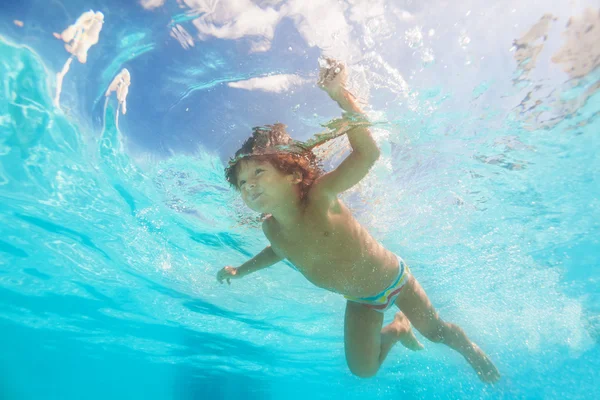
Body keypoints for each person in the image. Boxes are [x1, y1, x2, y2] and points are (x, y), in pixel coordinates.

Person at [217, 59, 500, 383]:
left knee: (436, 332)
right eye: (241, 183)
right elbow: (277, 252)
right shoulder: (272, 227)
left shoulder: (321, 197)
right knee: (362, 370)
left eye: (258, 172)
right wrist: (240, 270)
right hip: (360, 300)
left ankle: (468, 349)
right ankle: (396, 330)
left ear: (294, 175)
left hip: (393, 280)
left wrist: (340, 96)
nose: (249, 185)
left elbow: (368, 155)